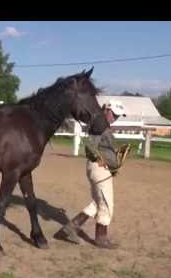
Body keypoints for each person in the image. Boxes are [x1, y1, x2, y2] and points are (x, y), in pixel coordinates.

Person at [55, 100, 128, 249]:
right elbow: (90, 146)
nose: (115, 118)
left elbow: (96, 147)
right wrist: (106, 162)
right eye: (114, 114)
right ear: (106, 110)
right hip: (100, 169)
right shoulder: (100, 124)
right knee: (106, 204)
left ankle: (69, 228)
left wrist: (113, 164)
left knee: (97, 203)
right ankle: (101, 238)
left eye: (118, 116)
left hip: (99, 169)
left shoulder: (100, 124)